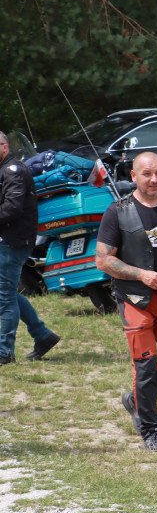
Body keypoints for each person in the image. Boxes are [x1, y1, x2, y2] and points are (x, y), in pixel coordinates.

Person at [96, 152, 157, 451]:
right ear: (134, 176)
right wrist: (140, 274)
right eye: (147, 173)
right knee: (146, 366)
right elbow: (102, 260)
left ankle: (136, 399)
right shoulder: (118, 211)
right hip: (134, 299)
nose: (153, 179)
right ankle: (151, 431)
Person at [0, 131, 60, 366]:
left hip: (13, 242)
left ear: (3, 147)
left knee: (4, 297)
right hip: (9, 240)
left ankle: (4, 352)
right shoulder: (5, 170)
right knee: (6, 294)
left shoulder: (14, 171)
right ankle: (42, 335)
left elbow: (11, 208)